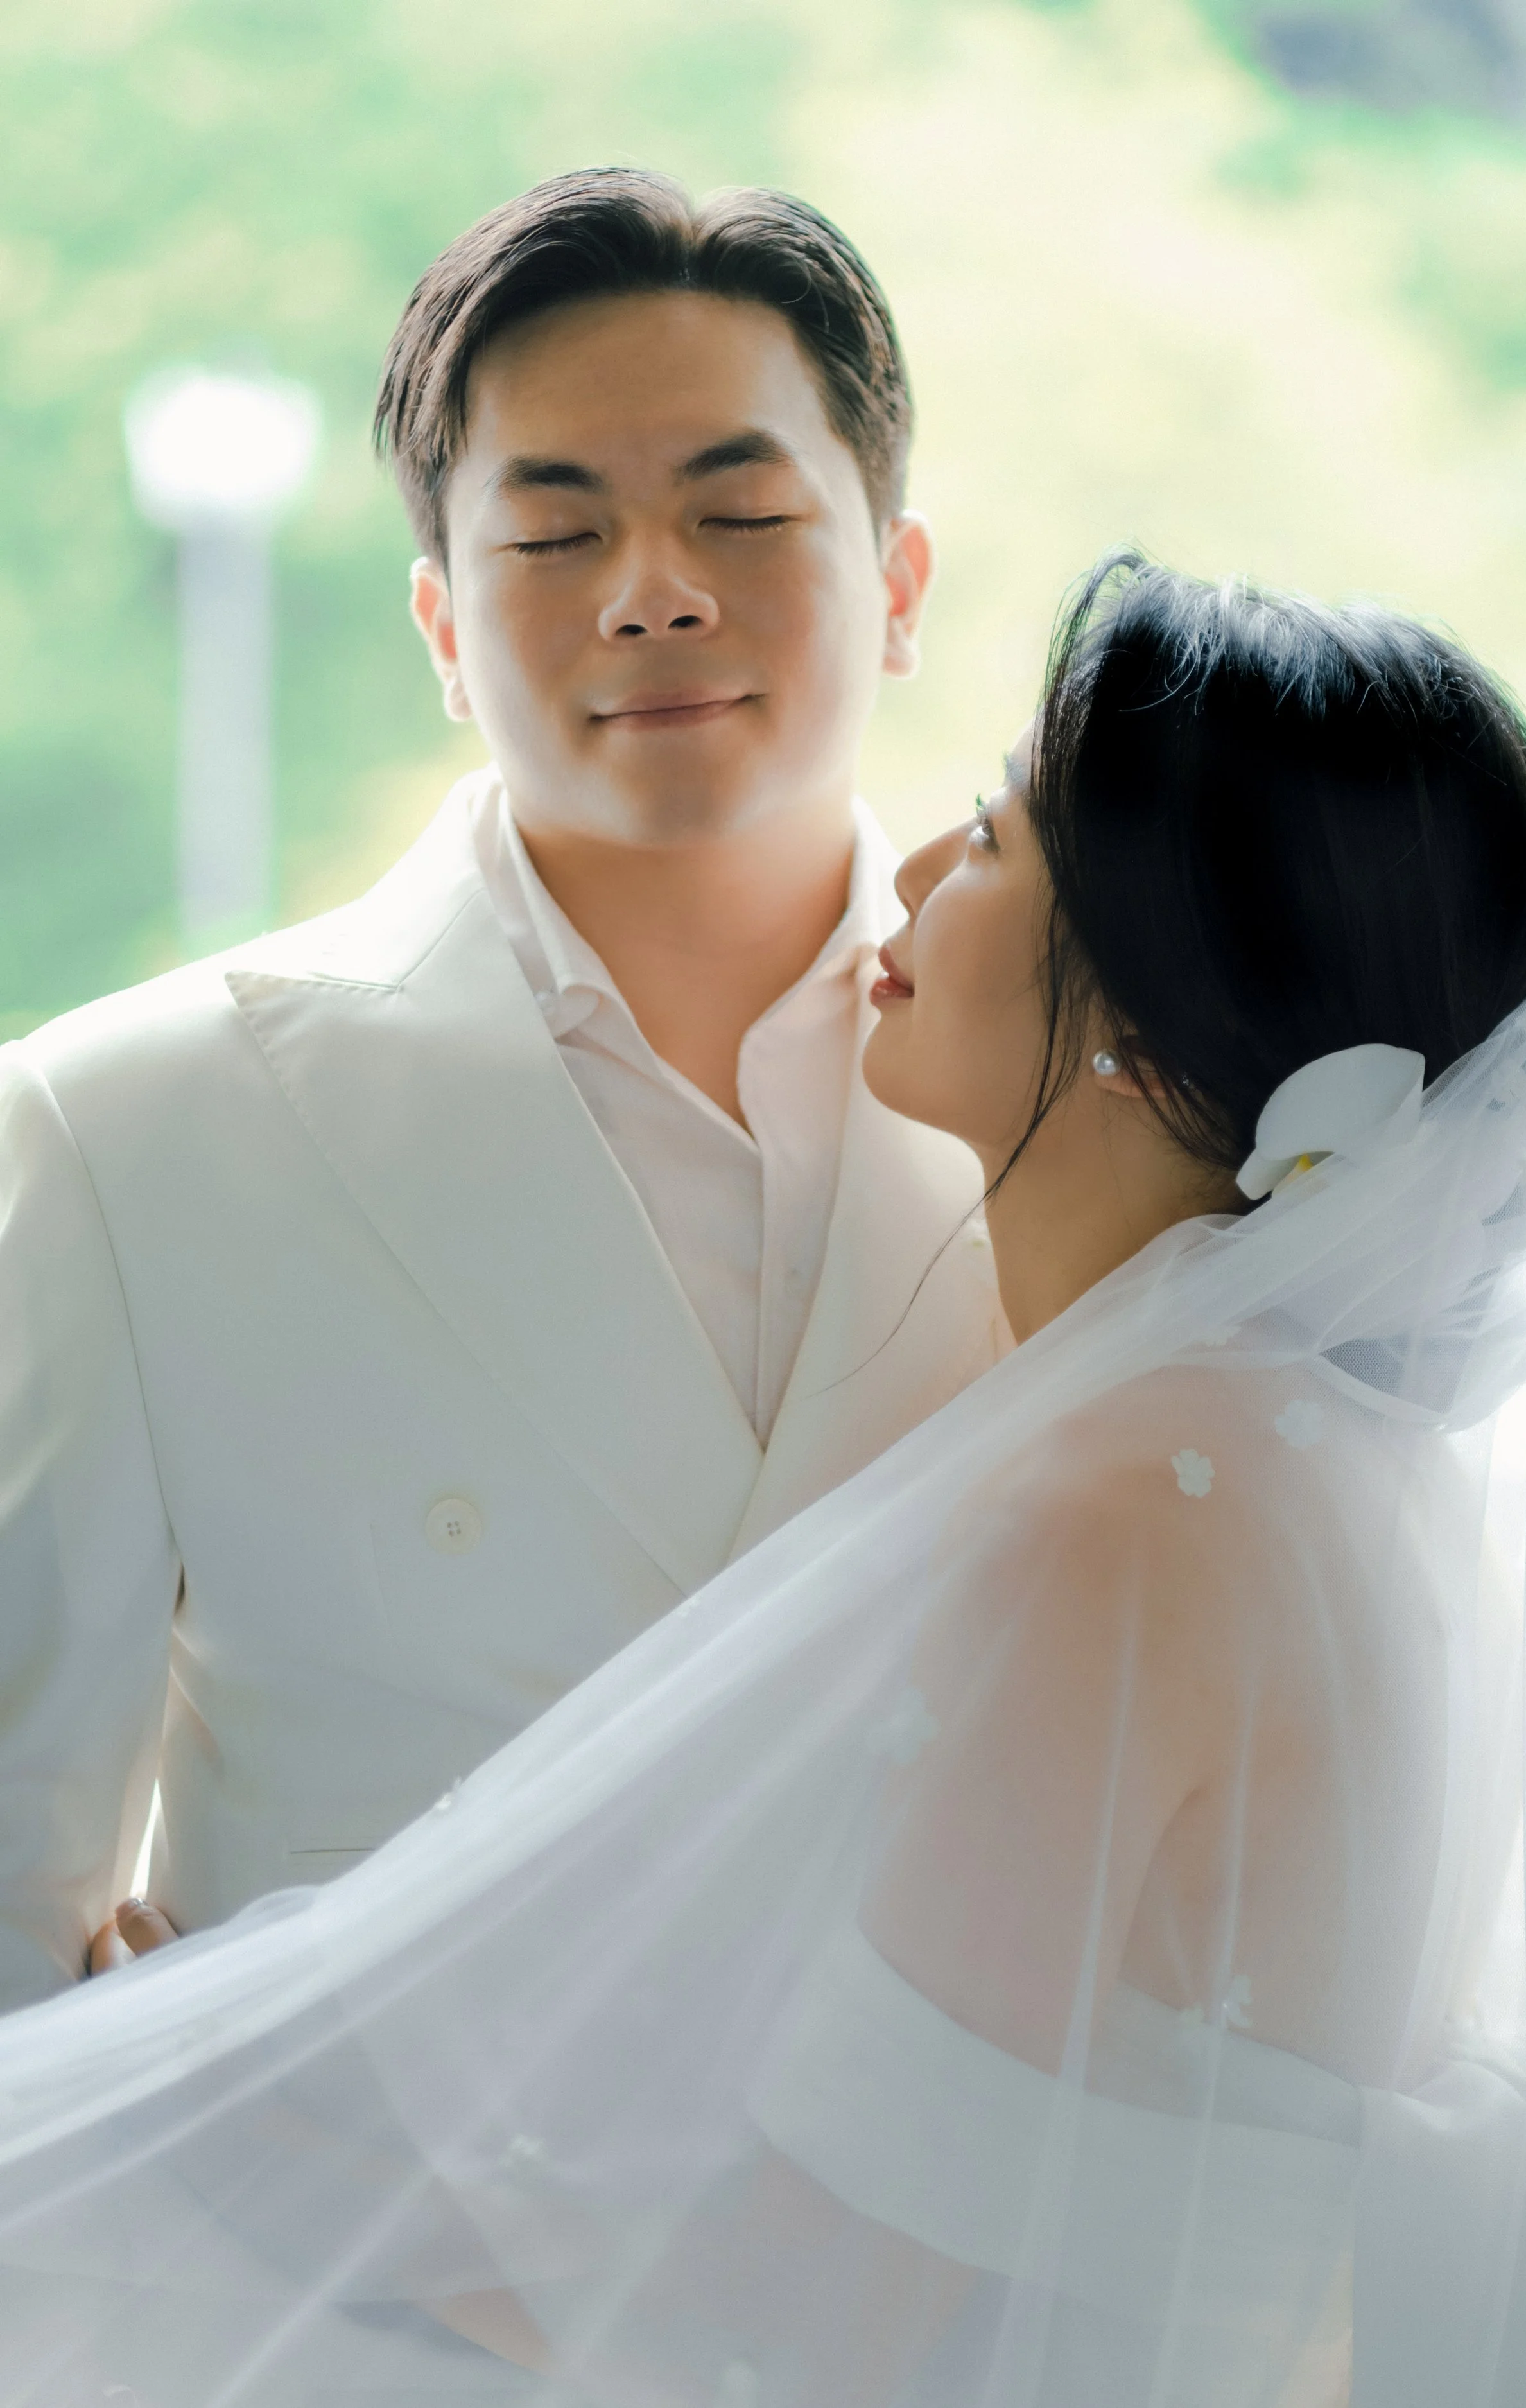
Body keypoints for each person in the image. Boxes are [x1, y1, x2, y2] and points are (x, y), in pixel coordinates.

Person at [1, 553, 1526, 2404]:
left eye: (993, 838)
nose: (912, 869)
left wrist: (221, 2118)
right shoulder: (1350, 1471)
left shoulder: (1120, 1510)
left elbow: (803, 2321)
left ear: (1146, 1039)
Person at [0, 170, 1007, 2007]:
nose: (655, 594)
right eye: (554, 535)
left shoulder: (1105, 1102)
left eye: (742, 512)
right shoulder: (125, 1133)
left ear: (898, 585)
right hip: (339, 2194)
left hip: (947, 2182)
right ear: (444, 631)